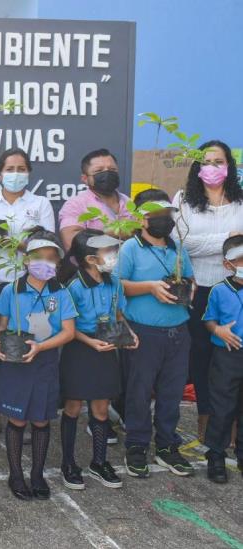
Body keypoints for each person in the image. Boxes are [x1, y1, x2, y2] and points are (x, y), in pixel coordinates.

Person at [0, 148, 54, 443]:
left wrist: (12, 242)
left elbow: (46, 247)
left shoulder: (41, 204)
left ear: (29, 172)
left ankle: (28, 414)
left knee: (30, 347)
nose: (16, 174)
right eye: (10, 168)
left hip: (29, 286)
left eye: (22, 168)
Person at [0, 231, 76, 501]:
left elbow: (68, 331)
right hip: (16, 362)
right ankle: (15, 474)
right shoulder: (11, 290)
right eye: (39, 258)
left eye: (52, 259)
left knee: (40, 418)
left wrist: (41, 347)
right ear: (26, 261)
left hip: (45, 361)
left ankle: (37, 473)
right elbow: (2, 325)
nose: (45, 263)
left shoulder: (60, 292)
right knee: (16, 418)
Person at [118, 189, 195, 479]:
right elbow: (117, 285)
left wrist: (189, 287)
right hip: (144, 332)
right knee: (139, 391)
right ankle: (137, 446)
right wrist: (150, 287)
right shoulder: (130, 249)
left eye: (167, 214)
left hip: (178, 331)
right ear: (141, 218)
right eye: (156, 215)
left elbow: (189, 276)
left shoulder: (177, 248)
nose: (163, 220)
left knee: (172, 393)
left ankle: (166, 445)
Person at [171, 140, 243, 441]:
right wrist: (227, 239)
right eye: (207, 162)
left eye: (219, 161)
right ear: (197, 168)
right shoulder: (183, 201)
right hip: (198, 289)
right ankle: (205, 426)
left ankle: (233, 430)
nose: (212, 168)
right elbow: (182, 247)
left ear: (229, 166)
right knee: (200, 357)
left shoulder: (240, 203)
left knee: (234, 357)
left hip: (235, 290)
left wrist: (208, 245)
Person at [60, 229, 138, 491]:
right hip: (80, 348)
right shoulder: (73, 286)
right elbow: (67, 326)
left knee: (101, 409)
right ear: (91, 259)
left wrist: (128, 332)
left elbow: (117, 314)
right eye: (108, 252)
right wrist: (90, 341)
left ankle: (99, 461)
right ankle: (68, 463)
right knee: (72, 407)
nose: (114, 256)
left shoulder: (113, 281)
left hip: (106, 346)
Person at [202, 235, 243, 483]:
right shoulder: (219, 290)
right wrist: (218, 330)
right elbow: (209, 319)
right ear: (227, 264)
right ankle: (216, 455)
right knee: (222, 407)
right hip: (227, 356)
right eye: (240, 259)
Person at [58, 148, 135, 251]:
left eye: (112, 170)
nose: (107, 173)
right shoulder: (75, 205)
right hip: (93, 265)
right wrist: (115, 231)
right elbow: (72, 243)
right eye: (99, 171)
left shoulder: (129, 203)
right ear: (85, 179)